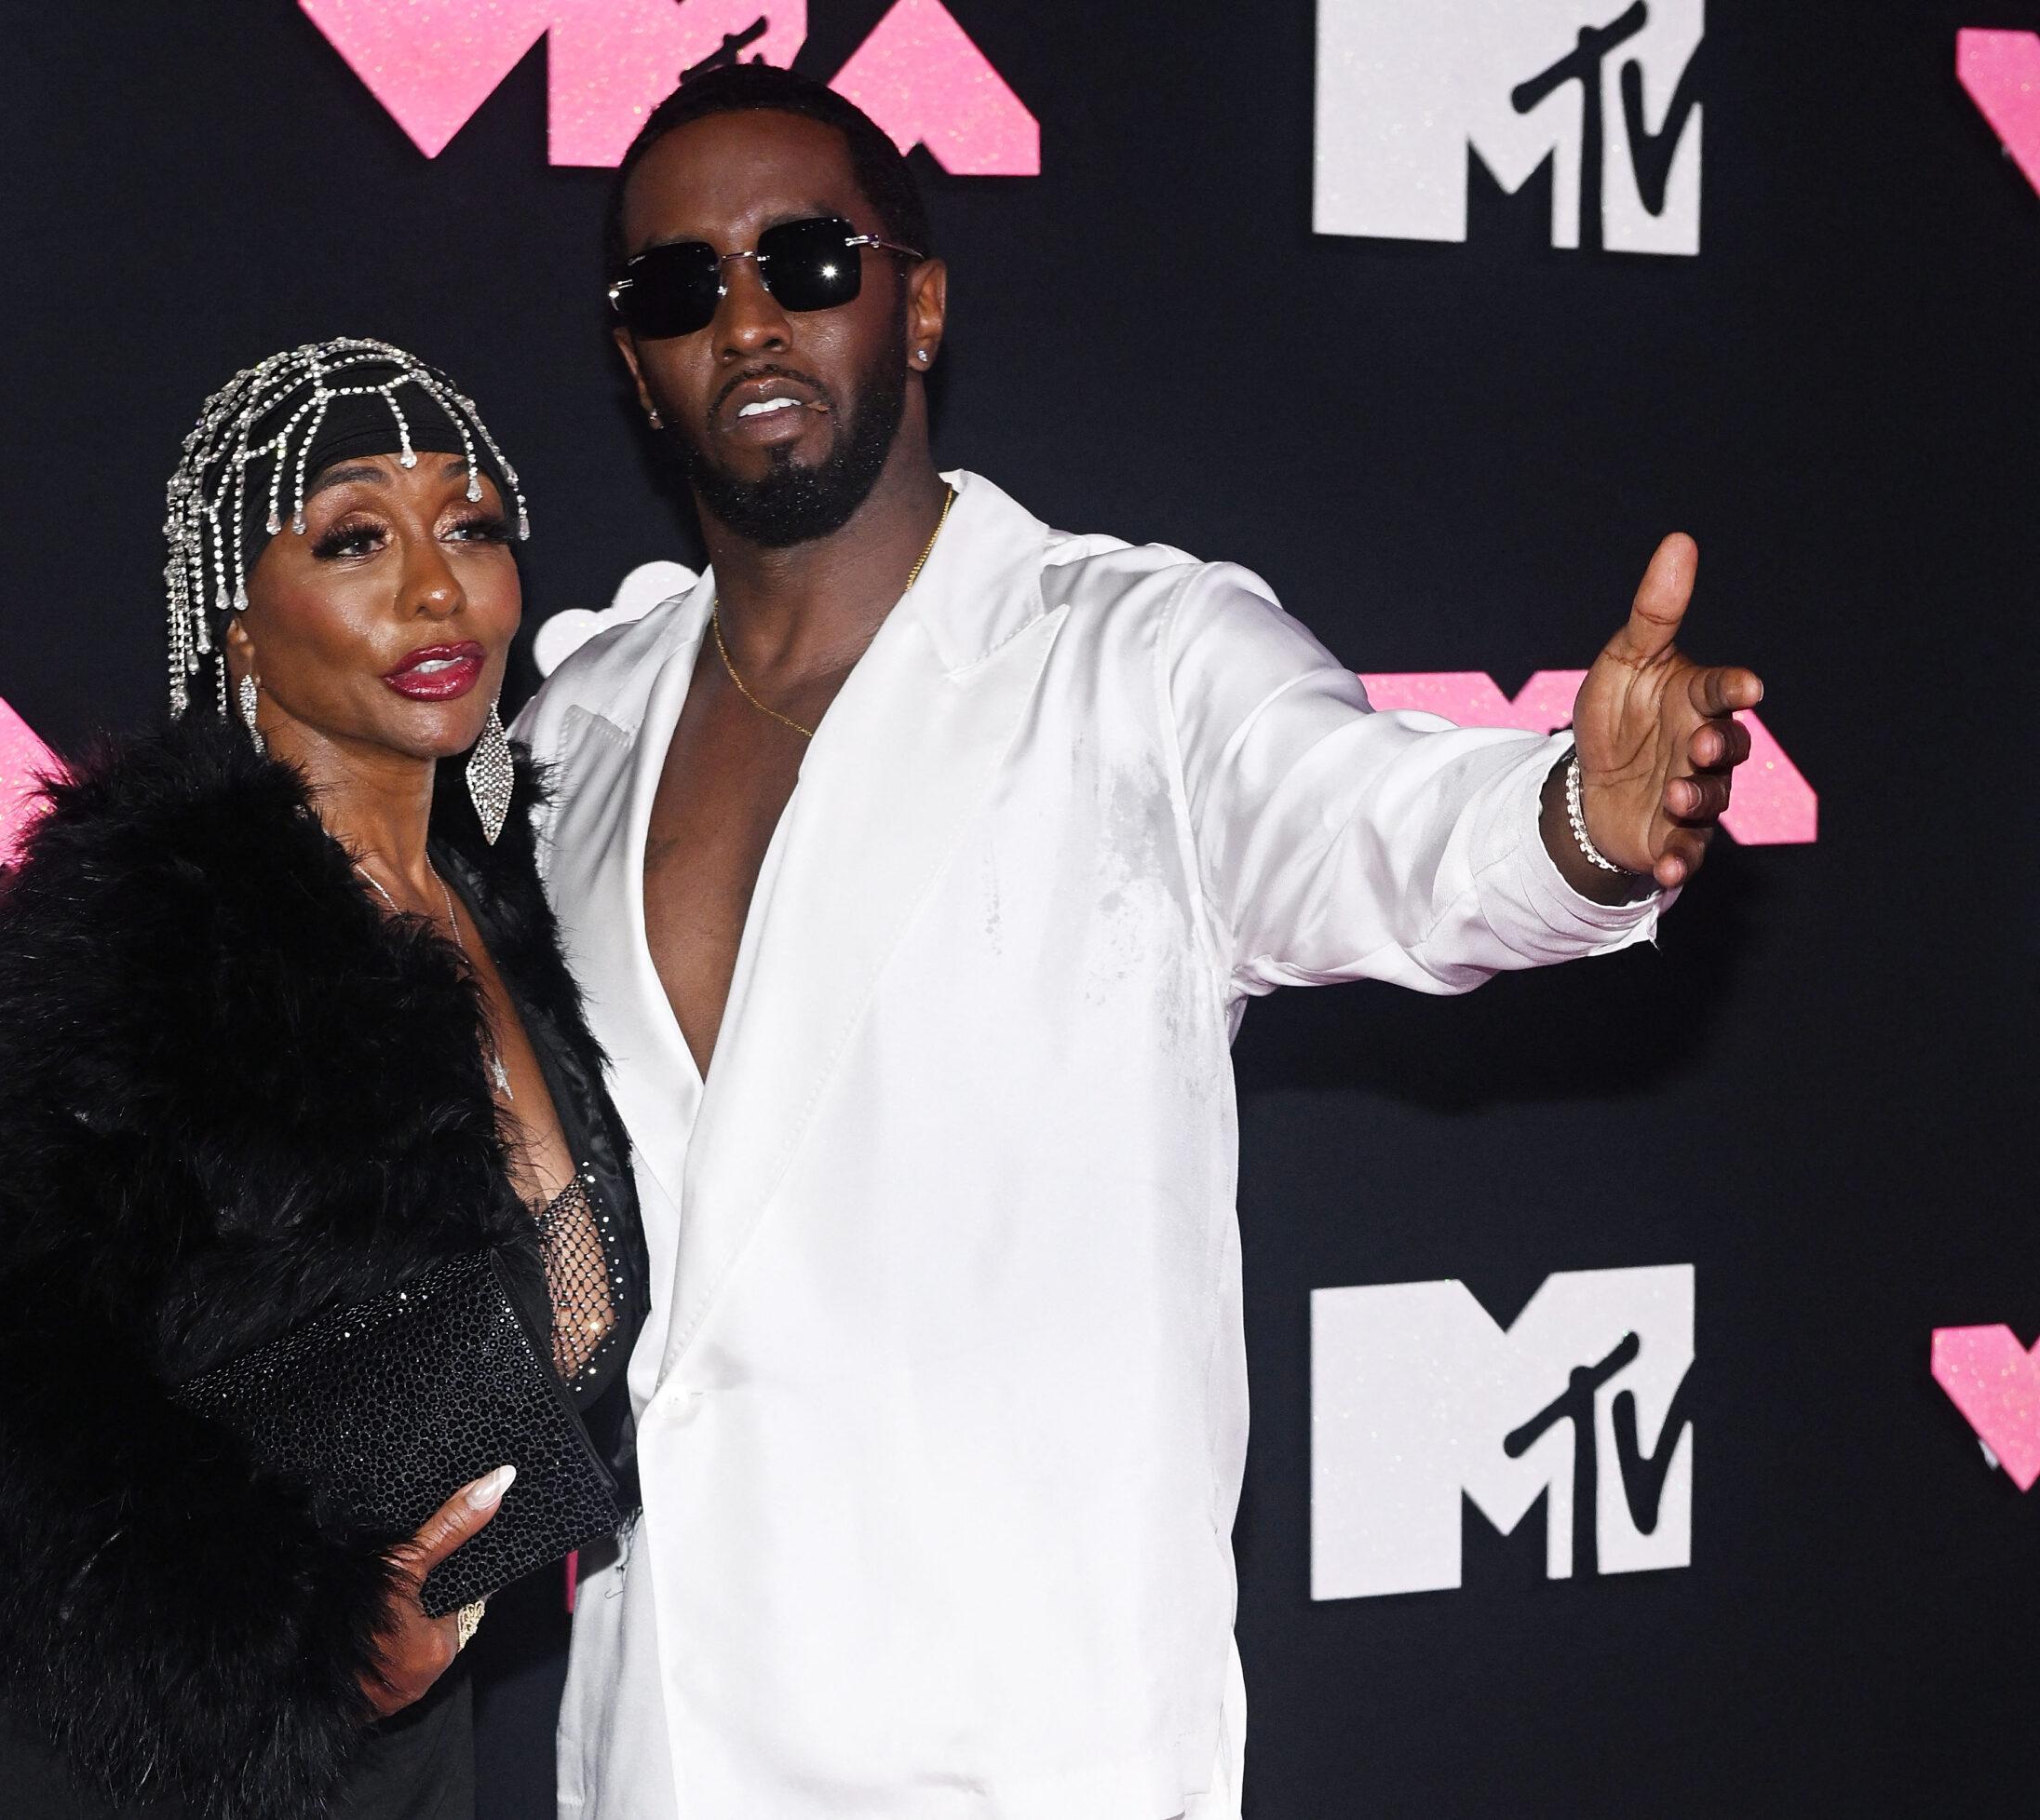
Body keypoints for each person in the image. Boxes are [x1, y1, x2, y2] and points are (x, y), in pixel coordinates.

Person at [517, 65, 1764, 1820]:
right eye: (678, 285)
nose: (746, 319)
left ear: (919, 300)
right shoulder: (577, 728)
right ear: (635, 363)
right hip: (660, 1743)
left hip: (1021, 1752)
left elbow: (1379, 827)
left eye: (806, 260)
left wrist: (1575, 818)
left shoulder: (1140, 661)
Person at [0, 340, 646, 1820]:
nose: (438, 591)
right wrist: (276, 1629)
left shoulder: (492, 896)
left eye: (474, 527)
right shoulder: (154, 915)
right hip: (149, 1765)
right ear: (241, 627)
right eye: (358, 538)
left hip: (404, 1746)